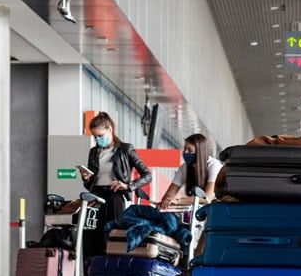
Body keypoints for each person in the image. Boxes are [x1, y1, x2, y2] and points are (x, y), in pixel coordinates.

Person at [79, 112, 152, 262]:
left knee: (113, 238)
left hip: (115, 196)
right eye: (95, 137)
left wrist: (128, 185)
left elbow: (147, 175)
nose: (98, 139)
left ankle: (112, 273)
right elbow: (90, 184)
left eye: (100, 135)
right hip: (96, 197)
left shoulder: (125, 149)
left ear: (110, 129)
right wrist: (86, 178)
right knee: (91, 239)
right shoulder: (93, 152)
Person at [159, 133, 223, 210]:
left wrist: (178, 201)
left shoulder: (214, 166)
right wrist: (165, 202)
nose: (185, 152)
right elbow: (169, 195)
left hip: (217, 210)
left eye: (189, 150)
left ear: (200, 152)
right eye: (185, 149)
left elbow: (207, 198)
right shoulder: (184, 168)